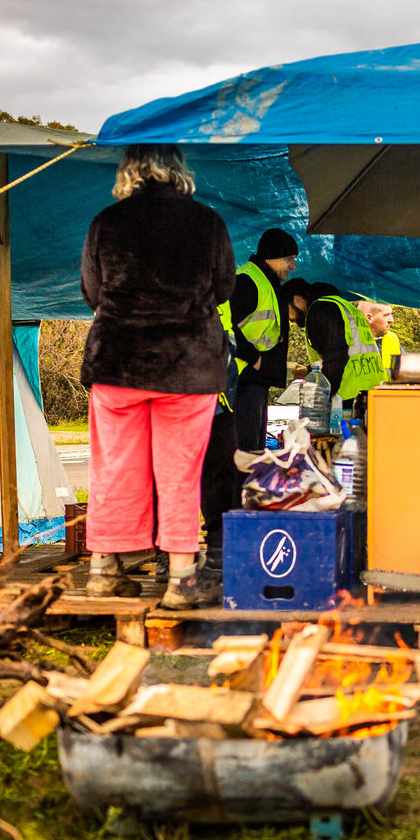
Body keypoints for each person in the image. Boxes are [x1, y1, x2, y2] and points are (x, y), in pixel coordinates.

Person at [79, 145, 233, 605]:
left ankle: (103, 569)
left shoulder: (106, 222)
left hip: (117, 361)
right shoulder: (208, 222)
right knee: (180, 472)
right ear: (179, 170)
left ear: (129, 171)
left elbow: (92, 291)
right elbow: (224, 287)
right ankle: (182, 579)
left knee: (113, 467)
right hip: (188, 364)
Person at [228, 228, 300, 452]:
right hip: (241, 378)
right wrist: (255, 358)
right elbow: (224, 326)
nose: (293, 266)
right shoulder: (248, 281)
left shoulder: (266, 282)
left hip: (255, 378)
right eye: (289, 259)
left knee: (255, 451)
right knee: (246, 451)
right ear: (271, 257)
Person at [282, 278, 386, 415]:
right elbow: (346, 350)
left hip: (347, 398)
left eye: (285, 309)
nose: (289, 318)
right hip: (373, 393)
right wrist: (309, 370)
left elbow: (336, 357)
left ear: (297, 300)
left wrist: (321, 400)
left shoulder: (320, 309)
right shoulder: (343, 306)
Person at [357, 301, 402, 377]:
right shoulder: (347, 341)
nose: (391, 320)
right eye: (386, 315)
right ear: (369, 318)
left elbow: (404, 372)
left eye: (391, 314)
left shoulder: (392, 339)